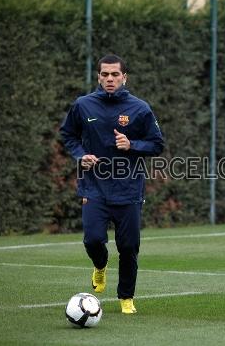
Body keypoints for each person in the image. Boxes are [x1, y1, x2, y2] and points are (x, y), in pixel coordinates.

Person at [60, 54, 164, 314]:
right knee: (93, 240)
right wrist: (80, 156)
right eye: (105, 74)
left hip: (129, 189)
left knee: (128, 247)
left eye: (115, 74)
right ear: (98, 76)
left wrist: (133, 145)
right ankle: (100, 265)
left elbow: (156, 144)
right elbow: (68, 135)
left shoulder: (140, 109)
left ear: (124, 77)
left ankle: (126, 297)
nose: (109, 79)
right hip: (94, 187)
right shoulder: (83, 105)